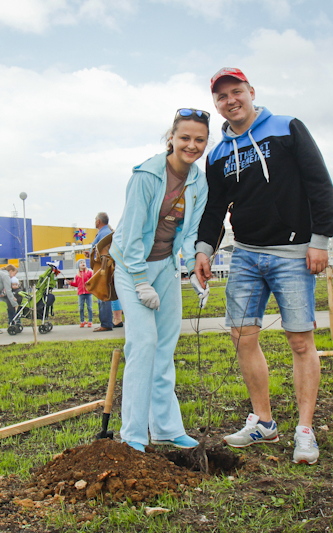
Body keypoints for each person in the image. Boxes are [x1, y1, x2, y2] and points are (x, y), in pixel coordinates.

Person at [194, 68, 333, 465]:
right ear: (216, 104)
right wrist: (204, 249)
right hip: (245, 254)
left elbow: (318, 182)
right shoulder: (219, 154)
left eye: (236, 91)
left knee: (300, 341)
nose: (230, 100)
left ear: (251, 92)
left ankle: (304, 431)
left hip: (293, 253)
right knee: (242, 335)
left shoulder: (287, 128)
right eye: (222, 96)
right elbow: (214, 207)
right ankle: (263, 422)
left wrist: (320, 240)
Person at [110, 107, 210, 452]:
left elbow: (190, 232)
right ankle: (134, 435)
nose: (192, 145)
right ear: (172, 137)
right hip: (132, 267)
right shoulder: (147, 175)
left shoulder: (198, 181)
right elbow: (131, 233)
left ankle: (166, 428)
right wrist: (140, 281)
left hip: (166, 265)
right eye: (185, 137)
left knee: (165, 347)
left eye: (200, 140)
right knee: (143, 344)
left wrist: (194, 266)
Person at [91, 212, 114, 332]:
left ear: (98, 221)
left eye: (95, 219)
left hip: (103, 267)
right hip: (103, 266)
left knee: (103, 294)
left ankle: (106, 324)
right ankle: (106, 323)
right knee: (102, 295)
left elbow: (104, 251)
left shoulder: (104, 233)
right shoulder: (105, 232)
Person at [69, 259, 93, 327]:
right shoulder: (77, 275)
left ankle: (90, 321)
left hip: (88, 293)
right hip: (81, 293)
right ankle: (82, 321)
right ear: (78, 266)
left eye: (84, 262)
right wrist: (71, 283)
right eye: (81, 263)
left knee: (89, 307)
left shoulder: (89, 273)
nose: (83, 263)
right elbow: (77, 284)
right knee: (81, 308)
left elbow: (92, 281)